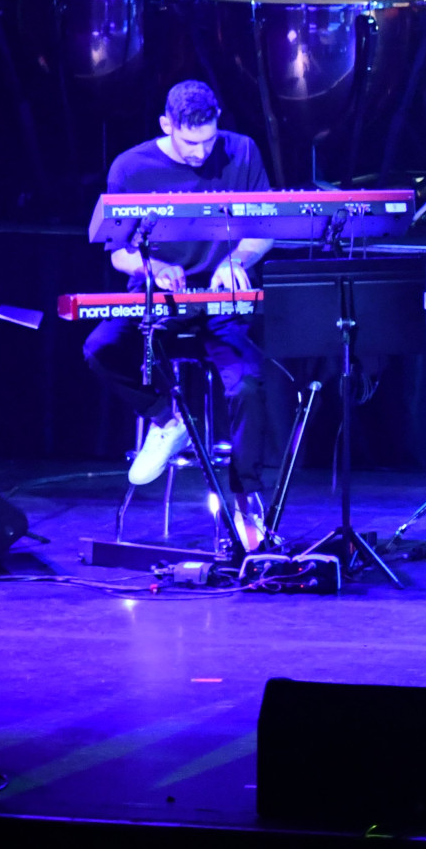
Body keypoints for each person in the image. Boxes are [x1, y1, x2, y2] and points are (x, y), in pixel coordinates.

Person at [83, 80, 274, 549]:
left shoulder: (242, 151)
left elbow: (264, 226)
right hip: (158, 299)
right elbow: (118, 252)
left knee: (248, 384)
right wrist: (152, 268)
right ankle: (168, 420)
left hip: (221, 302)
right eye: (190, 142)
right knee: (101, 348)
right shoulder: (130, 166)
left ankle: (245, 498)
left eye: (208, 140)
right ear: (166, 125)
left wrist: (236, 260)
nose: (201, 152)